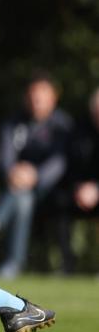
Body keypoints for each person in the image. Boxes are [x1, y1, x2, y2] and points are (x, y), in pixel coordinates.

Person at [0, 72, 73, 278]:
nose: (37, 102)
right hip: (17, 187)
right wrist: (14, 173)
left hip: (53, 191)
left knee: (23, 196)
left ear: (53, 98)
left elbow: (60, 162)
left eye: (42, 97)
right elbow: (6, 157)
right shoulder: (13, 122)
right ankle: (13, 263)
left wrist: (36, 175)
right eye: (33, 97)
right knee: (23, 199)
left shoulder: (63, 125)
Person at [55, 87, 99, 274]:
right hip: (78, 193)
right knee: (58, 203)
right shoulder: (79, 131)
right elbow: (69, 165)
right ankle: (67, 265)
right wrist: (78, 188)